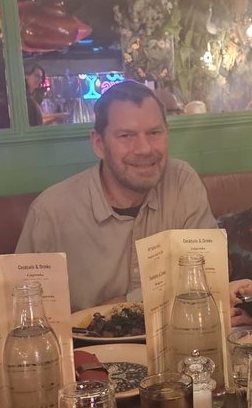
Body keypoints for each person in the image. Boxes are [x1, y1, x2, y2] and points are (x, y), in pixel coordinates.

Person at [15, 80, 219, 311]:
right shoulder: (50, 213)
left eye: (154, 132)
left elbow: (208, 278)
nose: (144, 149)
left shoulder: (182, 182)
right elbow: (24, 310)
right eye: (126, 136)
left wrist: (125, 303)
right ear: (99, 144)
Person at [23, 62, 46, 127]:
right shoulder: (24, 98)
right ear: (26, 76)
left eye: (41, 77)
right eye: (36, 76)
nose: (39, 80)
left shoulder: (31, 97)